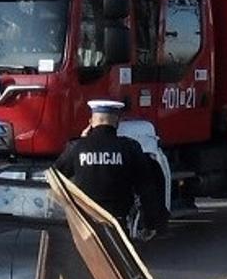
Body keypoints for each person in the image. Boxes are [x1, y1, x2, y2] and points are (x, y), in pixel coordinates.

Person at [52, 100, 167, 235]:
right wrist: (151, 224)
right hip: (117, 223)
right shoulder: (130, 147)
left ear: (90, 122)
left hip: (84, 224)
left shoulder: (76, 147)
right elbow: (146, 188)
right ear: (117, 123)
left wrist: (82, 141)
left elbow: (54, 178)